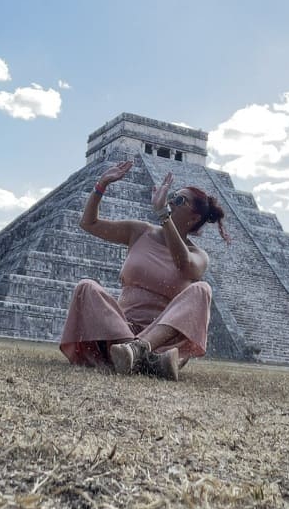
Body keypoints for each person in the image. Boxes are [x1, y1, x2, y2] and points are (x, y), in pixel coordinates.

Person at [59, 158, 222, 381]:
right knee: (86, 287)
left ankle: (138, 351)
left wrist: (163, 215)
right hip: (120, 329)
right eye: (173, 196)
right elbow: (89, 224)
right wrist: (101, 185)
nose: (171, 201)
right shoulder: (140, 231)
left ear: (194, 217)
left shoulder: (199, 256)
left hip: (161, 338)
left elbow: (183, 263)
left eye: (180, 200)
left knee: (203, 289)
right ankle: (146, 360)